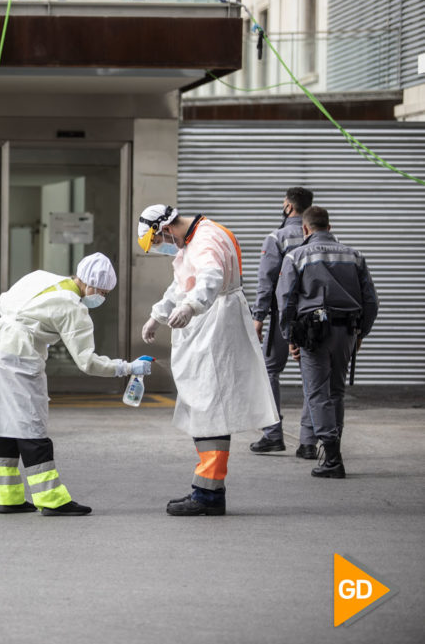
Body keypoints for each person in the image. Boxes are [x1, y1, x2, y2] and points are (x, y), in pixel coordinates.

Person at [0, 253, 152, 517]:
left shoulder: (42, 278)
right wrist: (127, 367)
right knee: (31, 426)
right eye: (102, 292)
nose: (101, 297)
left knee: (2, 424)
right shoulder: (73, 307)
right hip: (18, 358)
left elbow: (4, 300)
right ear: (90, 286)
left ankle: (8, 498)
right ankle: (52, 499)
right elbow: (87, 362)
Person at [138, 204, 277, 516]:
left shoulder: (205, 240)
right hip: (209, 322)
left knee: (210, 408)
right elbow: (182, 284)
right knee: (204, 406)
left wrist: (191, 307)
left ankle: (208, 496)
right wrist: (156, 316)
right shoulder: (195, 238)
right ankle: (206, 490)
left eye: (158, 241)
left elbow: (209, 278)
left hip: (215, 326)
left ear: (165, 228)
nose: (161, 247)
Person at [276, 206, 378, 479]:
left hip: (313, 335)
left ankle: (333, 458)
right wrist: (360, 334)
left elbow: (285, 301)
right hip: (346, 332)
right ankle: (332, 451)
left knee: (317, 393)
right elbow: (371, 301)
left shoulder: (295, 256)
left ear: (305, 229)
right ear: (329, 227)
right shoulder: (355, 256)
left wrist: (290, 337)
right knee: (336, 392)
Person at [250, 187, 317, 458]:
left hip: (282, 316)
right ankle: (309, 442)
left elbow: (267, 282)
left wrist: (258, 317)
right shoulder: (318, 237)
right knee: (313, 376)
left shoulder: (277, 237)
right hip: (313, 318)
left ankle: (273, 434)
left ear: (288, 206)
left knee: (269, 371)